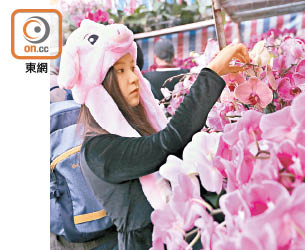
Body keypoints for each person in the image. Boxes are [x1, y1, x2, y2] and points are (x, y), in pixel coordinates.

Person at [58, 19, 249, 250]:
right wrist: (211, 73)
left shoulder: (137, 129)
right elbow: (168, 142)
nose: (133, 78)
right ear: (100, 85)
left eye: (132, 68)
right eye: (120, 70)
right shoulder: (98, 150)